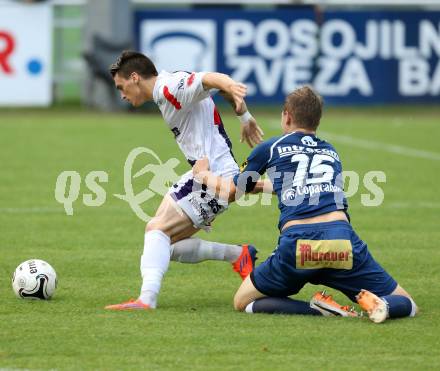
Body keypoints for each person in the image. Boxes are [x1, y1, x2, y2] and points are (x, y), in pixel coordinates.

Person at [193, 86, 417, 323]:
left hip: (299, 246)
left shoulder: (271, 147)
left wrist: (203, 175)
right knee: (409, 304)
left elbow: (230, 192)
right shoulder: (330, 151)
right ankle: (383, 306)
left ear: (287, 116)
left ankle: (318, 309)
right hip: (341, 243)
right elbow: (299, 186)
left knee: (243, 301)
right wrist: (258, 187)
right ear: (317, 120)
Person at [105, 50, 264, 310]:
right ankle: (239, 255)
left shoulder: (168, 88)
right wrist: (242, 114)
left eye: (121, 87)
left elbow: (214, 79)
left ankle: (146, 300)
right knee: (165, 244)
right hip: (204, 173)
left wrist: (243, 113)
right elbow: (214, 87)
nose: (122, 94)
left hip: (210, 176)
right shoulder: (167, 89)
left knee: (156, 230)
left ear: (134, 77)